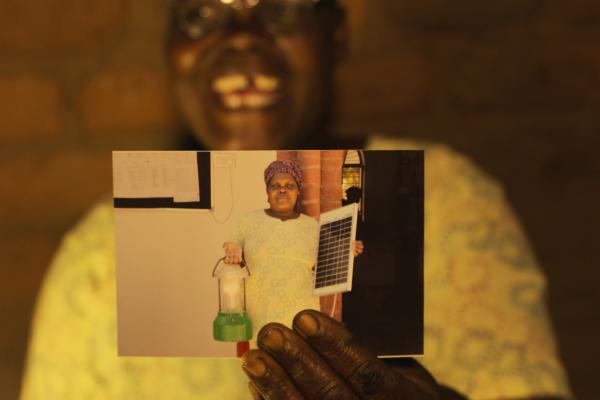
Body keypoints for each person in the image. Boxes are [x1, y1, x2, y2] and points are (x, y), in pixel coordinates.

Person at [21, 0, 571, 399]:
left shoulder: (441, 199)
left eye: (281, 8)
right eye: (199, 13)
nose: (241, 35)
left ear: (336, 35)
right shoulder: (100, 252)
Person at [222, 159, 363, 346]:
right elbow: (231, 246)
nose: (282, 190)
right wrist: (234, 251)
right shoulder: (247, 222)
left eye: (289, 185)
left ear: (298, 192)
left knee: (301, 365)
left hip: (303, 314)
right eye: (275, 186)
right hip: (261, 315)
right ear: (267, 192)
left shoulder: (311, 226)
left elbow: (331, 256)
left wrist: (348, 250)